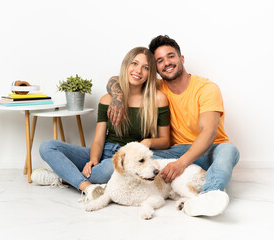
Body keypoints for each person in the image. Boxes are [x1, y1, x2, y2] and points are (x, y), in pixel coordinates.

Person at [106, 35, 240, 217]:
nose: (166, 63)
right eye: (159, 60)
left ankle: (209, 196)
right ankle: (92, 182)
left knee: (229, 150)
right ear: (156, 68)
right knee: (133, 162)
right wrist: (117, 96)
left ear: (181, 59)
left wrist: (180, 164)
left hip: (209, 150)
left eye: (171, 56)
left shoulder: (207, 88)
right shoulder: (156, 88)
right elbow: (118, 79)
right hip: (173, 151)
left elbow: (208, 133)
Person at [31, 46, 170, 201]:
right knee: (47, 146)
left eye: (145, 68)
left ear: (150, 73)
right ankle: (87, 187)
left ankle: (63, 177)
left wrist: (147, 142)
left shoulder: (158, 99)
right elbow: (99, 139)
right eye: (134, 63)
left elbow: (165, 140)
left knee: (110, 169)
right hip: (106, 150)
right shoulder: (108, 99)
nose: (138, 71)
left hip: (128, 158)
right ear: (126, 65)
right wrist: (93, 160)